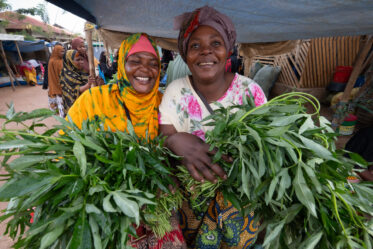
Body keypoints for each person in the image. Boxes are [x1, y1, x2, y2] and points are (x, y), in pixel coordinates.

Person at [159, 6, 267, 248]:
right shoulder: (176, 91)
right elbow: (164, 139)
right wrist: (175, 141)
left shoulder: (250, 92)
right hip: (192, 202)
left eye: (215, 43)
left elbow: (265, 149)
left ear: (228, 50)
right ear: (185, 54)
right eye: (195, 45)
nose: (205, 51)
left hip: (239, 203)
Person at [66, 33, 187, 249]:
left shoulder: (166, 103)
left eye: (153, 63)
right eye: (135, 61)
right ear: (121, 64)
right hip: (108, 212)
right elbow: (65, 148)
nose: (145, 69)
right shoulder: (94, 101)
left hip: (158, 207)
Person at [60, 50, 93, 117]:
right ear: (70, 61)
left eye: (82, 59)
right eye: (78, 60)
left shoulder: (82, 72)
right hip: (74, 108)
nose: (81, 62)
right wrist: (88, 85)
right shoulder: (66, 75)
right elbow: (75, 90)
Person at [47, 44, 65, 117]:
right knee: (61, 104)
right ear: (56, 52)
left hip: (58, 85)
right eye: (61, 52)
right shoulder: (54, 61)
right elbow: (54, 76)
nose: (63, 53)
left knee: (61, 104)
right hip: (58, 85)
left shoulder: (60, 60)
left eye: (64, 51)